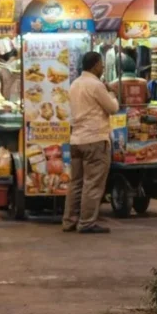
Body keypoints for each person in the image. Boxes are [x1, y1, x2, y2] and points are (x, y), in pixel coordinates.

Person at [62, 52, 118, 234]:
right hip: (95, 139)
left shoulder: (75, 84)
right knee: (92, 183)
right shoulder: (96, 85)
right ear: (95, 65)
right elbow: (112, 108)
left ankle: (69, 221)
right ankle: (86, 222)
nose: (103, 67)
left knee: (76, 183)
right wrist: (112, 93)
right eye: (101, 64)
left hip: (77, 139)